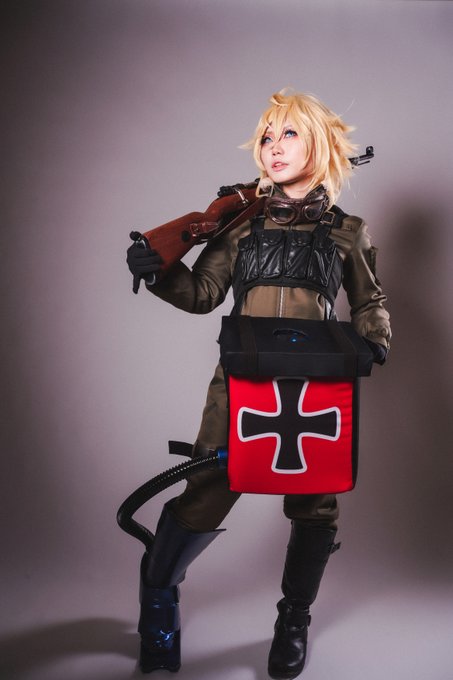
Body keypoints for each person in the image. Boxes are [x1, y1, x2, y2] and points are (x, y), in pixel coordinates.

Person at [126, 91, 391, 678]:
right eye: (267, 136)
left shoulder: (347, 231)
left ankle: (293, 620)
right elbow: (202, 295)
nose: (274, 146)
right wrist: (161, 271)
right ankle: (159, 599)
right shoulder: (240, 225)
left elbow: (369, 299)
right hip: (240, 383)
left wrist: (375, 340)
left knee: (317, 503)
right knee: (206, 490)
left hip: (315, 385)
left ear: (319, 144)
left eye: (289, 134)